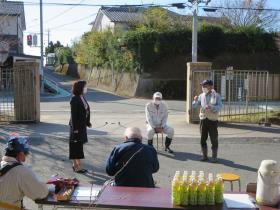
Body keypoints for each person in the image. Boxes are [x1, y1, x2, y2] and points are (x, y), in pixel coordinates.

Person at [0, 136, 48, 210]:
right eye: (26, 153)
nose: (25, 157)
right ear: (21, 153)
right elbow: (41, 193)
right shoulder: (21, 171)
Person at [192, 79, 223, 163]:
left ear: (210, 86)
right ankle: (204, 156)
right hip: (203, 119)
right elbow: (195, 106)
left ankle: (214, 157)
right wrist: (194, 100)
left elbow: (220, 106)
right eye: (202, 86)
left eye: (205, 86)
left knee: (214, 139)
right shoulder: (201, 96)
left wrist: (212, 107)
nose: (203, 87)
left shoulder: (216, 96)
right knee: (202, 139)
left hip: (212, 120)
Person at [69, 80, 92, 173]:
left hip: (82, 126)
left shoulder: (82, 97)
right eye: (85, 86)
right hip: (76, 127)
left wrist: (87, 122)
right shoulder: (74, 99)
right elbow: (74, 116)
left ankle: (78, 166)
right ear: (80, 88)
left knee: (79, 146)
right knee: (75, 146)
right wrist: (75, 129)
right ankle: (76, 166)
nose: (86, 88)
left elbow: (86, 110)